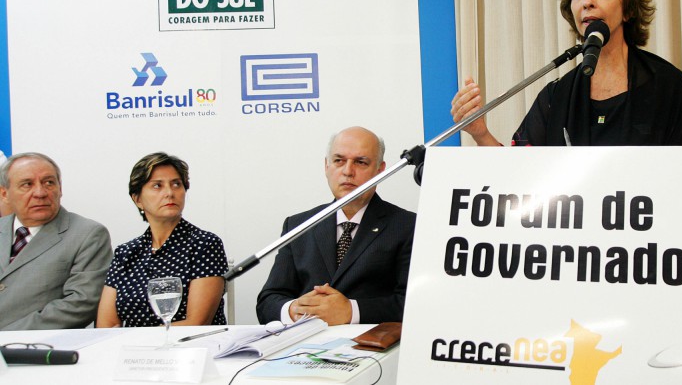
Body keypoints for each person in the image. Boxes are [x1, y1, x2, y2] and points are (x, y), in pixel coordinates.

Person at [451, 0, 682, 146]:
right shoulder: (556, 95)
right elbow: (517, 175)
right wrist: (480, 133)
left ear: (627, 8)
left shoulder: (668, 85)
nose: (587, 2)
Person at [256, 127, 415, 326]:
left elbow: (414, 303)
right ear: (326, 166)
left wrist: (352, 311)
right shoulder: (298, 225)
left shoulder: (408, 225)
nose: (348, 171)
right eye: (339, 160)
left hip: (370, 342)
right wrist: (293, 309)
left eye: (360, 162)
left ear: (380, 170)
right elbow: (268, 301)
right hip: (306, 342)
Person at [96, 152, 228, 327]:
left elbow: (196, 323)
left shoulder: (204, 244)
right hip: (132, 345)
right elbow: (105, 325)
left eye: (176, 184)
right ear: (137, 199)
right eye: (157, 186)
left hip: (190, 344)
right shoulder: (125, 253)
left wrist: (135, 337)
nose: (169, 193)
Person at [0, 152, 112, 330]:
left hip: (37, 344)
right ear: (4, 194)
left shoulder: (88, 234)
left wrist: (8, 335)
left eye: (49, 183)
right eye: (27, 184)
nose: (40, 193)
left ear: (60, 188)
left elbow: (80, 304)